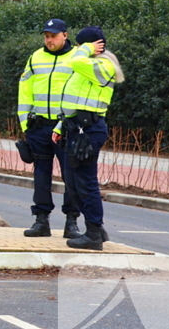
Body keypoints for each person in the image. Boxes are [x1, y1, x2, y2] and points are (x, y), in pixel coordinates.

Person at [53, 26, 124, 250]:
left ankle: (93, 233)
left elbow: (74, 61)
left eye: (81, 44)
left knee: (85, 182)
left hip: (89, 130)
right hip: (75, 128)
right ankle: (97, 229)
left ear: (93, 45)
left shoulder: (103, 65)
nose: (77, 48)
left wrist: (84, 49)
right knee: (74, 182)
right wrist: (59, 126)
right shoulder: (87, 66)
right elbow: (74, 101)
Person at [17, 18, 83, 238]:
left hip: (66, 127)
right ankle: (41, 220)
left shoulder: (78, 58)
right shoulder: (36, 57)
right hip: (39, 126)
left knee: (71, 176)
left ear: (65, 35)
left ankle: (71, 222)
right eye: (46, 36)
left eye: (53, 36)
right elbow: (24, 90)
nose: (49, 40)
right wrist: (25, 123)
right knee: (41, 175)